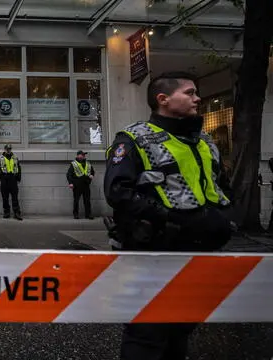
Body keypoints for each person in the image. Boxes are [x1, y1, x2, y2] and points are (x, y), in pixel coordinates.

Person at [104, 72, 232, 360]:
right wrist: (169, 218)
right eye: (189, 93)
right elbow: (118, 192)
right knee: (147, 331)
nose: (197, 98)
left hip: (201, 252)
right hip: (154, 253)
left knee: (181, 327)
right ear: (163, 99)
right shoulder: (134, 139)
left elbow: (220, 187)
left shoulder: (204, 142)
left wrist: (220, 220)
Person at [0, 144, 22, 220]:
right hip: (4, 179)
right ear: (4, 149)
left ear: (11, 149)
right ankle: (7, 212)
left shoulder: (15, 157)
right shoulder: (0, 158)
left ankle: (17, 213)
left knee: (15, 197)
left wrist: (18, 179)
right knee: (5, 198)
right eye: (7, 149)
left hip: (13, 179)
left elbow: (19, 168)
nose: (8, 150)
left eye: (9, 149)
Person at [67, 150, 94, 219]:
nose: (83, 156)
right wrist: (70, 183)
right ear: (78, 156)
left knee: (87, 201)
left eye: (84, 155)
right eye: (82, 155)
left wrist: (91, 176)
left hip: (86, 184)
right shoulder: (74, 164)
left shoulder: (88, 163)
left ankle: (88, 214)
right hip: (77, 185)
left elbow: (92, 172)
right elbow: (69, 174)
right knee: (76, 200)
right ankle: (76, 214)